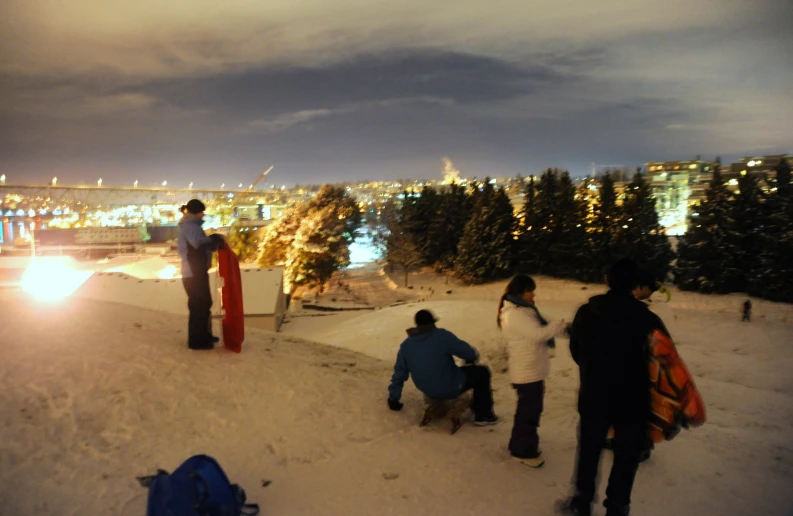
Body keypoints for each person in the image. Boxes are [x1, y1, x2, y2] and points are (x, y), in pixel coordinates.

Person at [557, 259, 668, 516]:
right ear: (634, 285)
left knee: (589, 451)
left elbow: (577, 350)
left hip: (594, 395)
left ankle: (581, 503)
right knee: (626, 457)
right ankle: (617, 507)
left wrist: (592, 369)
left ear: (607, 281)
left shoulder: (587, 312)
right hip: (633, 400)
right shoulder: (648, 319)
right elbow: (662, 359)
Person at [497, 274, 566, 468]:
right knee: (529, 413)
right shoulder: (514, 314)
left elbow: (540, 327)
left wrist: (557, 326)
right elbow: (538, 334)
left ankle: (518, 445)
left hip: (532, 369)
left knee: (528, 410)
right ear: (520, 291)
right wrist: (556, 325)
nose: (533, 294)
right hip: (526, 371)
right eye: (530, 290)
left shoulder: (524, 310)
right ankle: (523, 451)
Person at [387, 309, 498, 425]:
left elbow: (399, 373)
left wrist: (393, 398)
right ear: (432, 322)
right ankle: (484, 416)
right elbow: (469, 353)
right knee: (482, 372)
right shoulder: (441, 336)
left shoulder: (406, 346)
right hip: (449, 386)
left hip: (427, 390)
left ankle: (440, 397)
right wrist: (472, 356)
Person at [177, 199, 224, 350]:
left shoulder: (191, 226)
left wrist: (210, 242)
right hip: (193, 272)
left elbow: (199, 245)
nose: (203, 215)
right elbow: (197, 245)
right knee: (199, 305)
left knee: (204, 303)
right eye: (202, 212)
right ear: (196, 212)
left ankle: (205, 335)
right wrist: (213, 239)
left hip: (196, 271)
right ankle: (197, 341)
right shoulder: (191, 226)